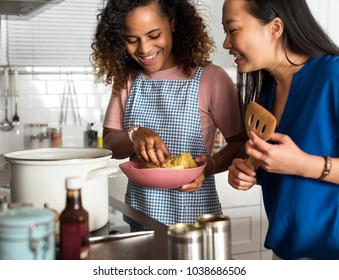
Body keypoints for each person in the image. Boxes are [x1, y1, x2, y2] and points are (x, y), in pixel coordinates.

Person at [91, 0, 244, 230]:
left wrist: (208, 167)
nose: (144, 49)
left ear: (172, 22)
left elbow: (240, 144)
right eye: (132, 40)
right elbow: (110, 144)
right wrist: (135, 135)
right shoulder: (128, 80)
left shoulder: (212, 79)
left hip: (194, 219)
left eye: (154, 35)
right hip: (139, 218)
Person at [223, 0, 339, 260]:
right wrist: (252, 171)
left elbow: (299, 164)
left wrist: (303, 164)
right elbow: (284, 173)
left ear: (274, 28)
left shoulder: (334, 75)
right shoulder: (268, 91)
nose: (226, 44)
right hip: (286, 254)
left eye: (233, 30)